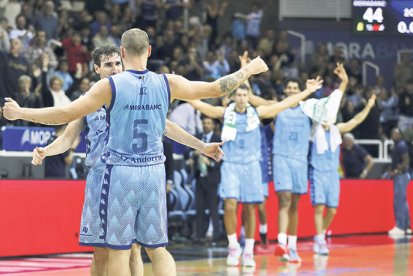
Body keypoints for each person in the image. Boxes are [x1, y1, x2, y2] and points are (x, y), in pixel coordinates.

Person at [4, 28, 268, 276]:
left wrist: (21, 113)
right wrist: (248, 70)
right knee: (157, 248)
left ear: (122, 52)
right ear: (150, 50)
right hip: (153, 171)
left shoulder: (110, 88)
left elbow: (63, 113)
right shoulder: (166, 83)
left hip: (120, 172)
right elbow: (216, 88)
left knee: (120, 250)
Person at [30, 44, 228, 276]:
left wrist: (201, 146)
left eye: (117, 63)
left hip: (128, 174)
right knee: (102, 252)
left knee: (133, 248)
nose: (114, 69)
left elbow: (166, 127)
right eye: (108, 65)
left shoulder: (134, 92)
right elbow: (67, 139)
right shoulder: (87, 100)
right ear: (96, 69)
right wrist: (47, 150)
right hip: (99, 176)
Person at [189, 76, 322, 267]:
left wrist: (308, 91)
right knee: (229, 205)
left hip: (252, 165)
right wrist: (179, 90)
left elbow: (286, 103)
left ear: (248, 96)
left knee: (250, 208)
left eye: (245, 94)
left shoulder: (258, 112)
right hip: (231, 164)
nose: (242, 98)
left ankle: (249, 251)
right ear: (234, 97)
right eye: (239, 95)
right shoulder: (225, 113)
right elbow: (201, 106)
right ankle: (233, 246)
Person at [249, 63, 347, 263]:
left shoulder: (308, 109)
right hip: (282, 158)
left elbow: (332, 104)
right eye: (289, 88)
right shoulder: (277, 107)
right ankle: (282, 243)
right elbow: (250, 98)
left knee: (294, 204)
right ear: (285, 90)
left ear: (300, 90)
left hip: (300, 161)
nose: (292, 91)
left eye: (295, 88)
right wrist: (246, 71)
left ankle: (292, 247)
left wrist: (344, 82)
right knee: (284, 199)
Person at [310, 94, 376, 256]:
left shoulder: (336, 130)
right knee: (319, 207)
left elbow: (356, 120)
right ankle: (320, 240)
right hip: (317, 172)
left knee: (332, 210)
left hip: (333, 174)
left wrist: (368, 106)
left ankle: (320, 234)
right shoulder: (313, 130)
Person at [193, 116, 222, 244]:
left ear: (213, 125)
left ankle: (215, 235)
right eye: (204, 122)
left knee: (213, 208)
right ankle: (199, 235)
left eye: (208, 123)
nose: (206, 125)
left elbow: (221, 159)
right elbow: (188, 152)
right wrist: (191, 156)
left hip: (212, 178)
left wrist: (209, 163)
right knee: (199, 208)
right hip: (199, 177)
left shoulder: (217, 139)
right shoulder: (197, 137)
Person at [388, 128, 412, 237]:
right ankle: (407, 227)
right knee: (403, 201)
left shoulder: (400, 145)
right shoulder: (398, 145)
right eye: (392, 133)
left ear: (400, 135)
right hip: (402, 175)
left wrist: (397, 170)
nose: (393, 135)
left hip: (401, 176)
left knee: (399, 202)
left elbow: (406, 160)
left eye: (396, 133)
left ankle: (400, 227)